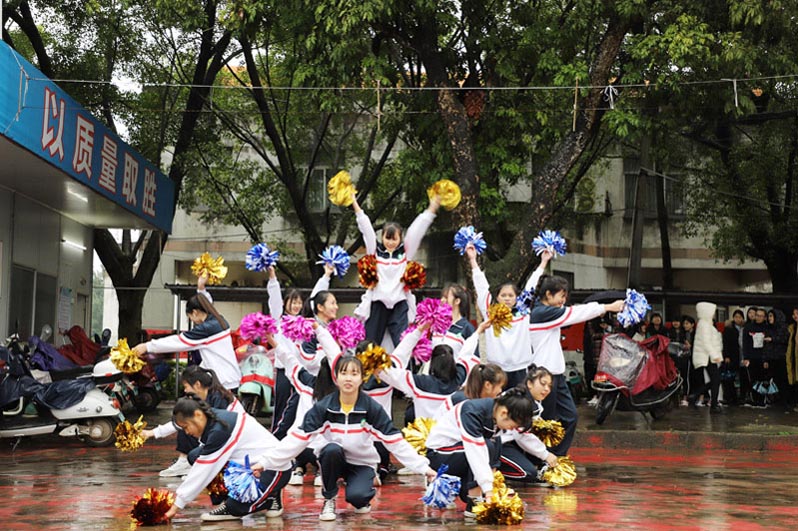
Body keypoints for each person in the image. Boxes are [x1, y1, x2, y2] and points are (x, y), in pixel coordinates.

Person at [252, 355, 437, 521]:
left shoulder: (371, 408)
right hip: (334, 458)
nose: (349, 378)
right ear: (336, 378)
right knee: (331, 449)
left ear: (362, 378)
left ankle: (361, 493)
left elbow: (395, 442)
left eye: (354, 373)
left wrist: (424, 468)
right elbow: (297, 438)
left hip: (361, 462)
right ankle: (329, 499)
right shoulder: (325, 406)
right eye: (344, 373)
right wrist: (265, 462)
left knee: (357, 499)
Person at [528, 276, 624, 456]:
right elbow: (574, 314)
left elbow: (573, 312)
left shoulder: (548, 312)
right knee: (544, 422)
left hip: (556, 375)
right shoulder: (541, 313)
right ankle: (542, 459)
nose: (563, 301)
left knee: (570, 416)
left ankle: (555, 456)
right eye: (561, 296)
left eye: (565, 297)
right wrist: (608, 307)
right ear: (548, 294)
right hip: (542, 377)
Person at [162, 397, 291, 522]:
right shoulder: (210, 417)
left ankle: (269, 497)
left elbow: (202, 470)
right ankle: (231, 499)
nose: (187, 432)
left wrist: (176, 507)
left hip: (273, 469)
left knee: (236, 508)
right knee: (194, 456)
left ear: (197, 415)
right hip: (249, 466)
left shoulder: (220, 429)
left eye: (186, 427)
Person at [425, 386, 536, 519]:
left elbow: (494, 454)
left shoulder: (495, 416)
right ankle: (473, 502)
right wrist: (488, 491)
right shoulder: (472, 411)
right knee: (486, 447)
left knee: (492, 445)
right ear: (504, 413)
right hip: (439, 455)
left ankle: (471, 494)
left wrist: (494, 488)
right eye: (513, 426)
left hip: (459, 454)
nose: (512, 429)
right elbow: (475, 451)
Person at [352, 193, 441, 348]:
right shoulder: (374, 252)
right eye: (388, 238)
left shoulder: (405, 254)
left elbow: (416, 231)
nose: (391, 242)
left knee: (403, 345)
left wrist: (432, 209)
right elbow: (366, 229)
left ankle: (403, 372)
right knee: (369, 345)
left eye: (394, 239)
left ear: (400, 239)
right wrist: (354, 203)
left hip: (399, 304)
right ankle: (365, 372)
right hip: (377, 303)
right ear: (382, 237)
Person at [132, 274, 241, 390]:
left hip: (222, 382)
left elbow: (178, 341)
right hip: (230, 379)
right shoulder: (219, 320)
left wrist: (147, 346)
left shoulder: (206, 330)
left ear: (194, 312)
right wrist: (201, 288)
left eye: (190, 317)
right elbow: (207, 304)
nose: (192, 321)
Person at [467, 243, 552, 388]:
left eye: (511, 295)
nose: (507, 298)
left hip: (520, 368)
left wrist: (543, 262)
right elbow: (481, 289)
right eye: (503, 295)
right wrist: (473, 260)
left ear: (516, 298)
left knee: (520, 404)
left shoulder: (523, 311)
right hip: (496, 369)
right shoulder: (490, 313)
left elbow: (531, 286)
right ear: (497, 298)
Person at [267, 263, 334, 436]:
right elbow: (273, 299)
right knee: (282, 407)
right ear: (285, 303)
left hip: (301, 371)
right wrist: (272, 276)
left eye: (298, 303)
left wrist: (326, 275)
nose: (296, 306)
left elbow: (316, 298)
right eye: (292, 302)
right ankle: (276, 438)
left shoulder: (306, 322)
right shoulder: (278, 320)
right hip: (284, 371)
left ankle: (297, 441)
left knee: (299, 407)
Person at [143, 366, 243, 478]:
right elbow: (179, 422)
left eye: (186, 387)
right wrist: (151, 433)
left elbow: (219, 432)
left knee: (194, 451)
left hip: (233, 442)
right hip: (219, 439)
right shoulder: (203, 397)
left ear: (197, 385)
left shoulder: (218, 398)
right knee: (189, 436)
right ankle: (185, 462)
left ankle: (203, 469)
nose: (185, 391)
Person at [377, 320, 487, 420]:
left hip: (422, 438)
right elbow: (466, 354)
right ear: (452, 361)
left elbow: (391, 372)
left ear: (433, 362)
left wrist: (419, 331)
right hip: (448, 438)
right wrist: (478, 331)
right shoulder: (459, 378)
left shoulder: (420, 383)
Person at [499, 365, 560, 484]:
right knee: (528, 473)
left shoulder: (532, 401)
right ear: (530, 383)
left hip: (511, 441)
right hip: (497, 442)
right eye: (543, 384)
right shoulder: (521, 402)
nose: (547, 389)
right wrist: (545, 455)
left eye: (549, 386)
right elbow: (521, 435)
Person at [689, 302, 723, 413]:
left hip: (708, 356)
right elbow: (706, 342)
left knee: (715, 380)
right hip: (707, 357)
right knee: (716, 380)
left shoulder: (706, 324)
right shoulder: (704, 325)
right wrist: (715, 355)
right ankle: (713, 405)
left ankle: (695, 396)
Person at [742, 307, 770, 407]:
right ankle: (754, 399)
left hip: (762, 357)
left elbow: (768, 345)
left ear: (764, 317)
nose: (758, 318)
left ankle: (762, 400)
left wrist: (766, 359)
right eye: (757, 315)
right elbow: (745, 343)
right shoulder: (748, 327)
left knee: (762, 378)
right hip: (751, 357)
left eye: (761, 316)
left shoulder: (767, 328)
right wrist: (745, 357)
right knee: (752, 379)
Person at [766, 309, 791, 412]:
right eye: (769, 316)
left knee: (783, 380)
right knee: (774, 380)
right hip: (772, 358)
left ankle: (785, 401)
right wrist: (765, 359)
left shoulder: (783, 328)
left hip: (782, 358)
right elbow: (766, 346)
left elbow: (784, 339)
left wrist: (772, 339)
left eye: (771, 316)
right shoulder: (769, 328)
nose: (769, 318)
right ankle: (777, 400)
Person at [722, 309, 745, 405]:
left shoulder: (744, 328)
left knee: (741, 377)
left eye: (739, 317)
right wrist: (726, 355)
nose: (737, 319)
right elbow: (726, 343)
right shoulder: (729, 328)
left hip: (742, 355)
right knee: (730, 377)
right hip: (732, 356)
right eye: (736, 317)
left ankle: (740, 397)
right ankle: (730, 397)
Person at [786, 307, 798, 410]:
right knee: (793, 380)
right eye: (794, 314)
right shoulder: (791, 328)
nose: (795, 315)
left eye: (797, 313)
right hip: (793, 357)